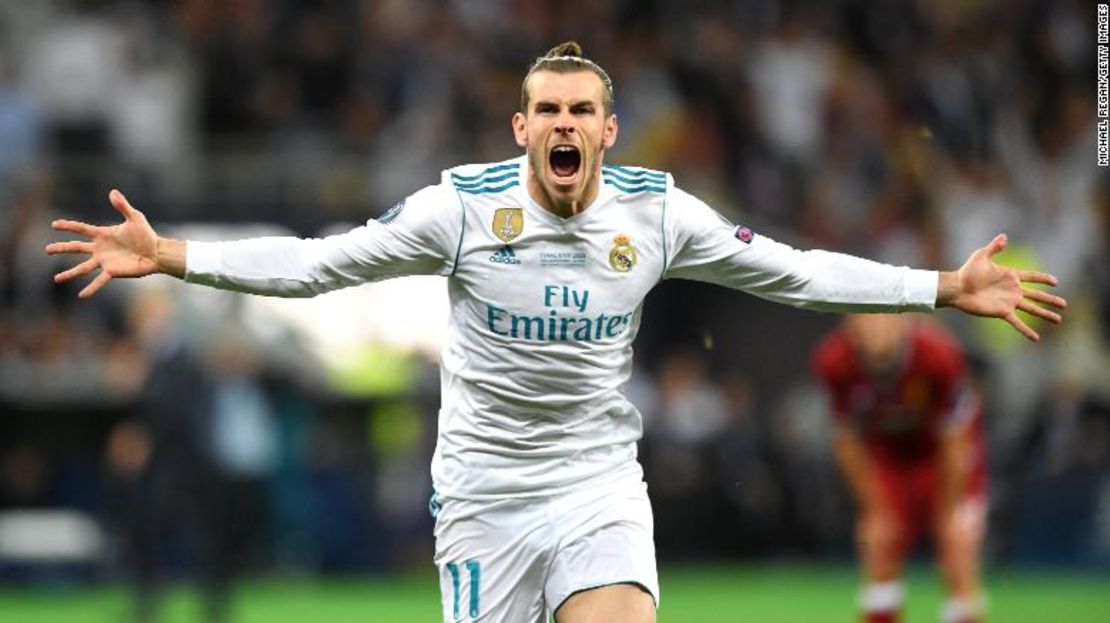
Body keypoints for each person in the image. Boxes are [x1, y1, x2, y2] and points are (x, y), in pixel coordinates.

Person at [46, 42, 1064, 623]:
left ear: (608, 131)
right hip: (484, 498)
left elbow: (795, 273)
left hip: (595, 486)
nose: (566, 124)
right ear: (522, 128)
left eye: (585, 108)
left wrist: (939, 284)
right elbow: (319, 262)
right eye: (548, 110)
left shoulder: (658, 213)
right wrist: (176, 255)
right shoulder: (459, 209)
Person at [812, 314, 987, 623]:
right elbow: (846, 440)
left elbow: (955, 437)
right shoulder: (833, 361)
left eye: (882, 319)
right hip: (888, 459)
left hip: (942, 458)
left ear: (903, 322)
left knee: (957, 551)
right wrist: (874, 507)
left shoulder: (938, 354)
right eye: (864, 321)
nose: (875, 329)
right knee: (878, 544)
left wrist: (949, 508)